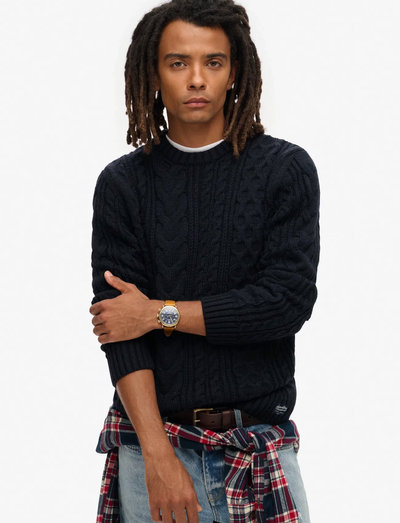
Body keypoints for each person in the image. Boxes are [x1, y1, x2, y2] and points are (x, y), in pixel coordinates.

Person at [89, 0, 320, 521]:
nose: (197, 78)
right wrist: (158, 458)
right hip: (152, 450)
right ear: (154, 73)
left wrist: (159, 313)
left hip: (258, 446)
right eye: (178, 63)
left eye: (213, 62)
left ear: (234, 71)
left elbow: (284, 304)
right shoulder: (123, 184)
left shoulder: (285, 170)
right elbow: (120, 330)